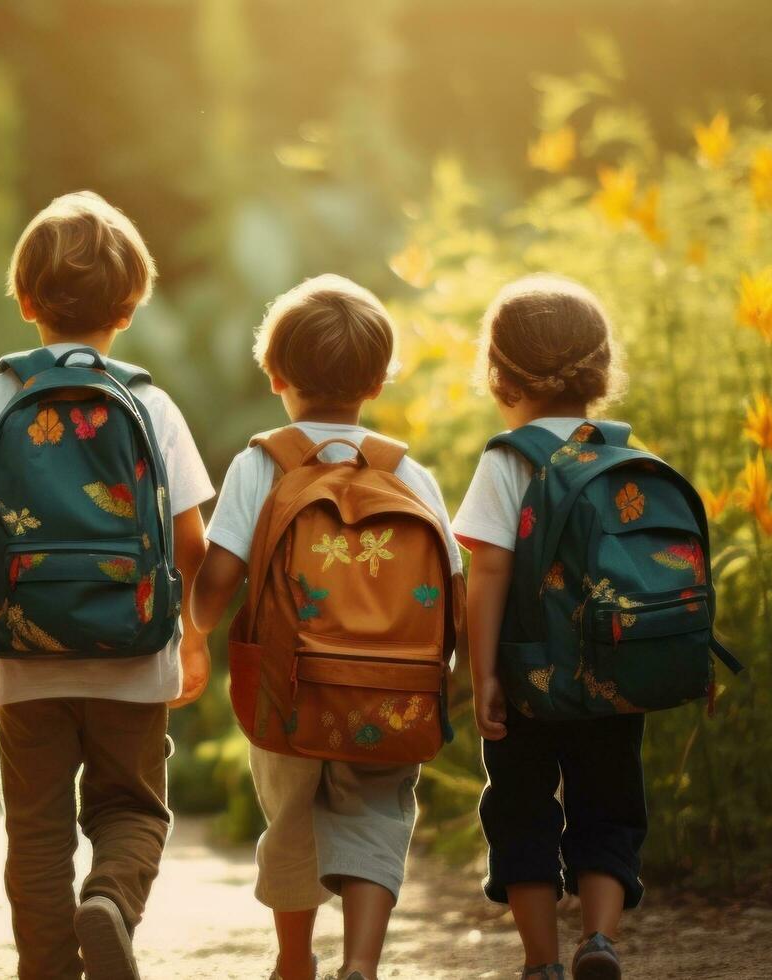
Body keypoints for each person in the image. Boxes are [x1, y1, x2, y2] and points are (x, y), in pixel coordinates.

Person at [0, 191, 214, 980]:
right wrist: (192, 639)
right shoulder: (151, 404)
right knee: (132, 808)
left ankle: (48, 970)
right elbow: (190, 546)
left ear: (25, 300)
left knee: (34, 835)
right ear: (128, 308)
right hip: (134, 655)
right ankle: (111, 900)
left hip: (22, 661)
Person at [189, 275, 461, 980]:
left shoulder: (263, 464)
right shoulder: (410, 475)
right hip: (394, 689)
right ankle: (363, 964)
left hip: (288, 689)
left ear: (275, 374)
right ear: (376, 381)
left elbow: (218, 579)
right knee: (378, 812)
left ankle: (292, 962)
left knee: (292, 821)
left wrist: (197, 622)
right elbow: (456, 588)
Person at [454, 274, 639, 980]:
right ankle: (601, 939)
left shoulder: (510, 459)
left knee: (522, 810)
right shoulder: (624, 455)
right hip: (615, 673)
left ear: (500, 377)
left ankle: (541, 962)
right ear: (599, 371)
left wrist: (483, 674)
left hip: (529, 679)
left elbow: (489, 573)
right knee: (610, 806)